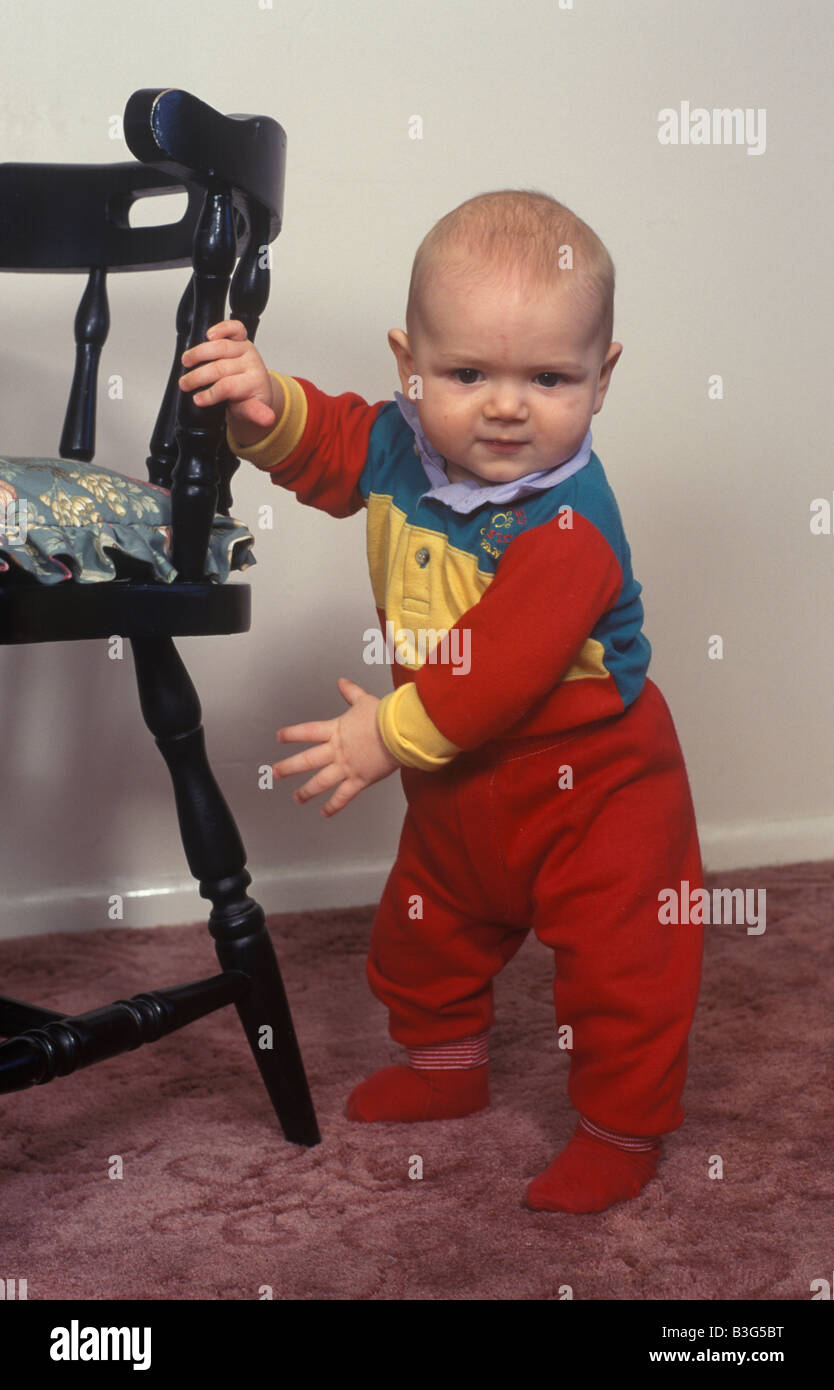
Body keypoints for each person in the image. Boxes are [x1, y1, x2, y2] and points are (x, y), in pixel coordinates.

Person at [179, 190, 704, 1214]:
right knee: (425, 929)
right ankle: (446, 1063)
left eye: (549, 378)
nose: (507, 406)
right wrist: (261, 403)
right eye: (468, 374)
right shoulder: (398, 448)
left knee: (624, 967)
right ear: (409, 365)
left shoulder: (573, 522)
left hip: (595, 785)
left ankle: (622, 1129)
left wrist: (382, 732)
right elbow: (326, 444)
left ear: (603, 378)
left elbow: (500, 665)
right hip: (461, 781)